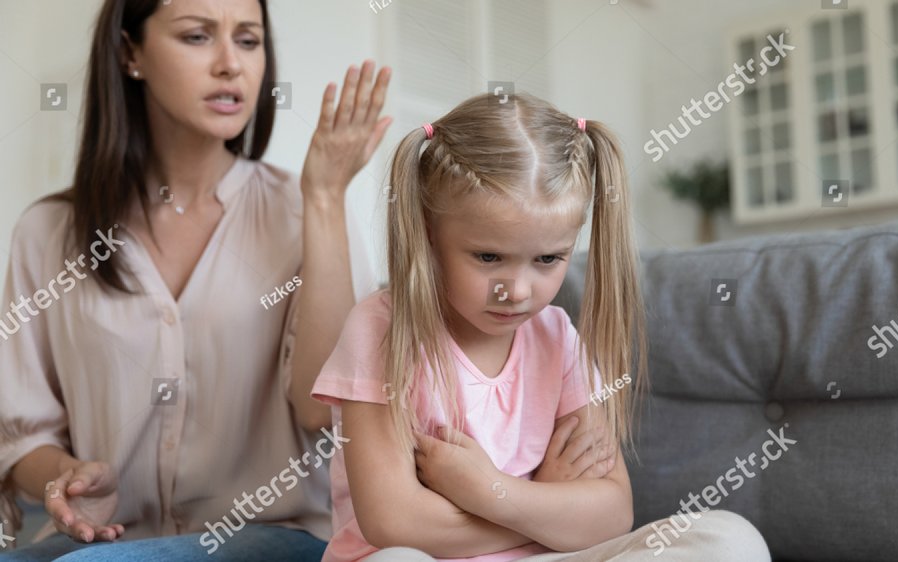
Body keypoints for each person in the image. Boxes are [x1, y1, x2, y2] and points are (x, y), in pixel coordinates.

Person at [0, 0, 391, 560]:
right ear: (129, 52)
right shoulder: (46, 233)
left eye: (249, 41)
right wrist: (68, 478)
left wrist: (326, 198)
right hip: (106, 542)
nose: (231, 64)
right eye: (197, 37)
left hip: (272, 540)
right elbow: (22, 437)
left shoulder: (305, 211)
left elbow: (320, 406)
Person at [310, 93, 771, 561]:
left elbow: (612, 513)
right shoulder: (382, 329)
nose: (518, 290)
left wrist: (492, 491)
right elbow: (395, 524)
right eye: (488, 257)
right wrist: (543, 510)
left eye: (548, 259)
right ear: (429, 235)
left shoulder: (557, 336)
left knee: (729, 539)